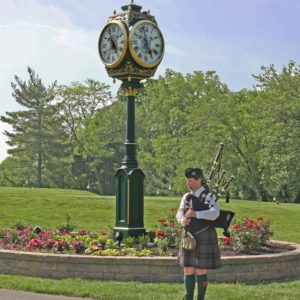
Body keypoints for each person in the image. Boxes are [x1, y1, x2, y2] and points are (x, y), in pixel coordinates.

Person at [176, 167, 221, 300]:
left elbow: (215, 213)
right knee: (187, 268)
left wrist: (197, 214)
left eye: (190, 180)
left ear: (199, 180)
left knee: (201, 269)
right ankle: (188, 297)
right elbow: (179, 212)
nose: (187, 183)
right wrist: (181, 219)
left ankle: (200, 298)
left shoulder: (209, 195)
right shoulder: (186, 196)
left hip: (204, 234)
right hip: (188, 235)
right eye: (187, 181)